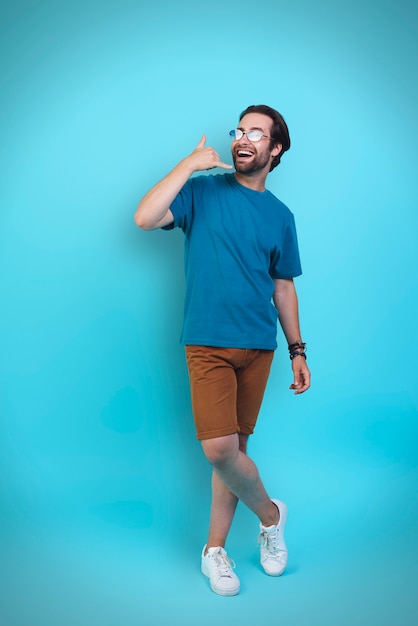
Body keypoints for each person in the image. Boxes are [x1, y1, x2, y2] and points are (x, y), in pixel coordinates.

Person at [134, 104, 310, 596]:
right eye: (240, 130)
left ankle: (215, 552)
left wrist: (297, 349)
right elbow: (145, 218)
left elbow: (283, 288)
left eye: (257, 133)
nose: (243, 139)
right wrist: (189, 164)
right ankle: (271, 515)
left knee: (234, 453)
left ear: (274, 150)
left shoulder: (281, 217)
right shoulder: (202, 192)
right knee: (219, 451)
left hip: (259, 346)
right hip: (207, 343)